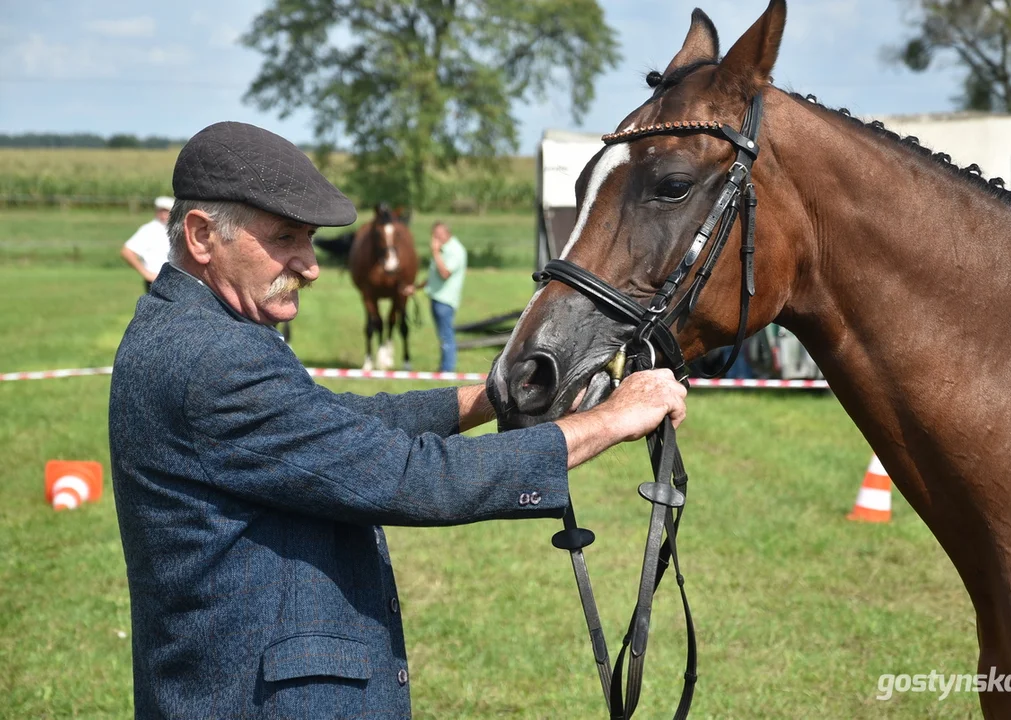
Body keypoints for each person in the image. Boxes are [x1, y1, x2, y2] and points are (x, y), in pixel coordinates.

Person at [108, 120, 688, 719]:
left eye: (309, 239)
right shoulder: (214, 358)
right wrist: (615, 418)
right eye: (286, 238)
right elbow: (411, 477)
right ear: (203, 236)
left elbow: (338, 423)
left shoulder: (190, 330)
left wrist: (493, 394)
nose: (310, 266)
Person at [425, 221, 466, 371]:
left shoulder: (455, 250)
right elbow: (434, 276)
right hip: (437, 297)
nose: (434, 239)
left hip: (445, 301)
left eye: (437, 236)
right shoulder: (444, 250)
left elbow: (444, 273)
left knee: (446, 336)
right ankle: (444, 367)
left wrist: (435, 252)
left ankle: (448, 369)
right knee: (442, 336)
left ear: (445, 233)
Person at [120, 196, 173, 292]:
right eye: (161, 211)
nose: (163, 215)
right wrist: (146, 273)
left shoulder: (175, 228)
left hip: (175, 280)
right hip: (157, 280)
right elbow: (127, 252)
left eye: (166, 211)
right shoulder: (149, 229)